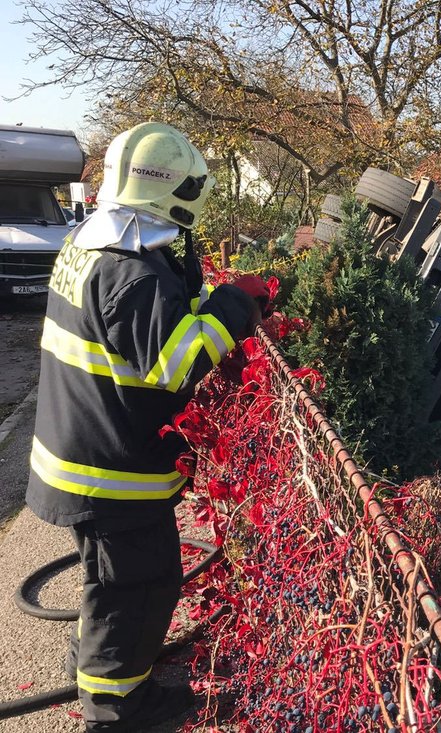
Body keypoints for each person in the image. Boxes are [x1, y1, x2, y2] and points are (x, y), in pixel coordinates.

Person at [26, 122, 272, 732]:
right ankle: (115, 710)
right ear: (176, 190)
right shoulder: (131, 271)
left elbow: (144, 334)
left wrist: (204, 293)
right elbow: (177, 361)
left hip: (82, 452)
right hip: (108, 474)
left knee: (113, 585)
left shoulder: (93, 243)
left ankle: (99, 669)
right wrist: (236, 304)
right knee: (136, 590)